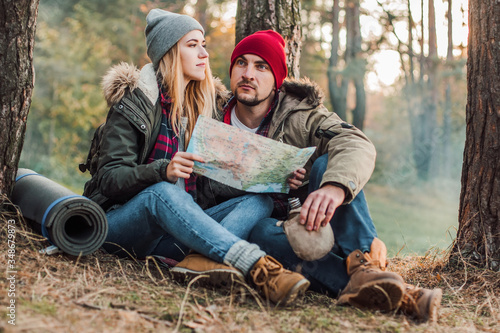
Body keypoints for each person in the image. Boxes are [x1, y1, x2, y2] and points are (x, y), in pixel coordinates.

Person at [197, 30, 442, 322]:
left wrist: (335, 187)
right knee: (260, 232)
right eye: (241, 63)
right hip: (277, 232)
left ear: (277, 80)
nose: (248, 73)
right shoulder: (209, 116)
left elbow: (354, 143)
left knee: (328, 164)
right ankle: (401, 296)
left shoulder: (301, 114)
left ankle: (366, 265)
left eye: (261, 66)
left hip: (322, 221)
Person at [82, 10, 310, 306]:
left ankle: (198, 262)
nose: (204, 53)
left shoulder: (203, 109)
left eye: (203, 44)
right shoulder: (134, 104)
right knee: (161, 194)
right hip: (120, 224)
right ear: (170, 52)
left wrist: (277, 177)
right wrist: (163, 170)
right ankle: (257, 268)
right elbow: (109, 178)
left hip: (176, 230)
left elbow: (215, 184)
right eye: (192, 45)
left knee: (259, 201)